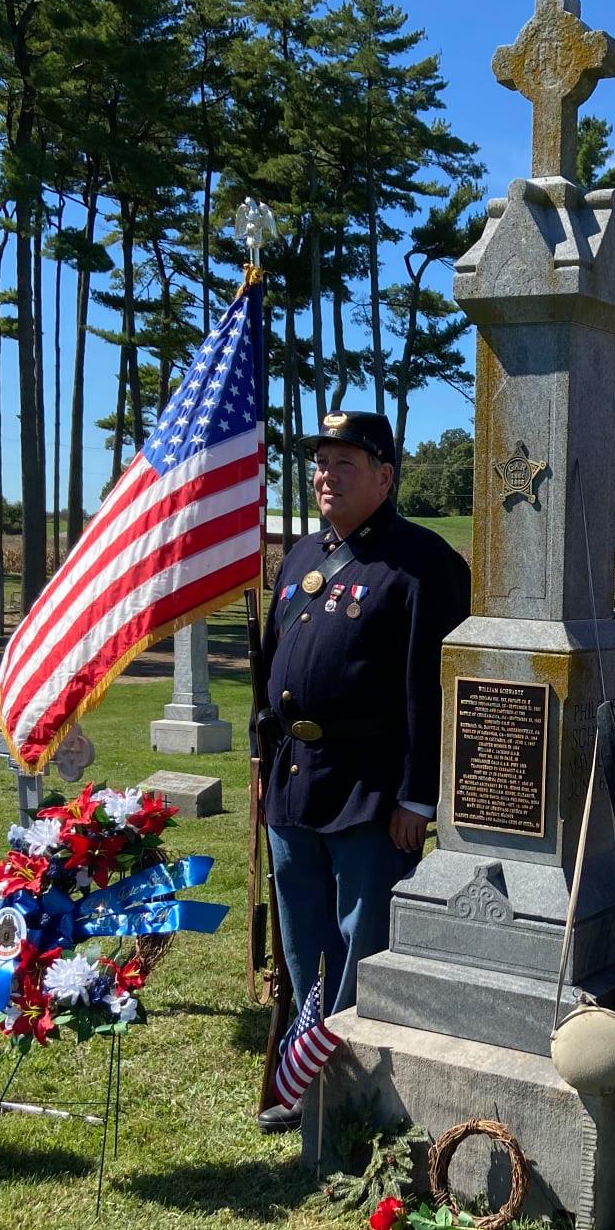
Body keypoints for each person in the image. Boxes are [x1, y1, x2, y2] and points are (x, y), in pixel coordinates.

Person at [255, 409, 470, 1132]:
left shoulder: (423, 563)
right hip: (295, 779)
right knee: (303, 935)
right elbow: (271, 665)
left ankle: (349, 1082)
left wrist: (418, 795)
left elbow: (431, 691)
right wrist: (264, 755)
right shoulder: (299, 557)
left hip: (371, 788)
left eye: (345, 464)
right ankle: (308, 1066)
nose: (326, 476)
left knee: (361, 937)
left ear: (385, 477)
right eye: (320, 463)